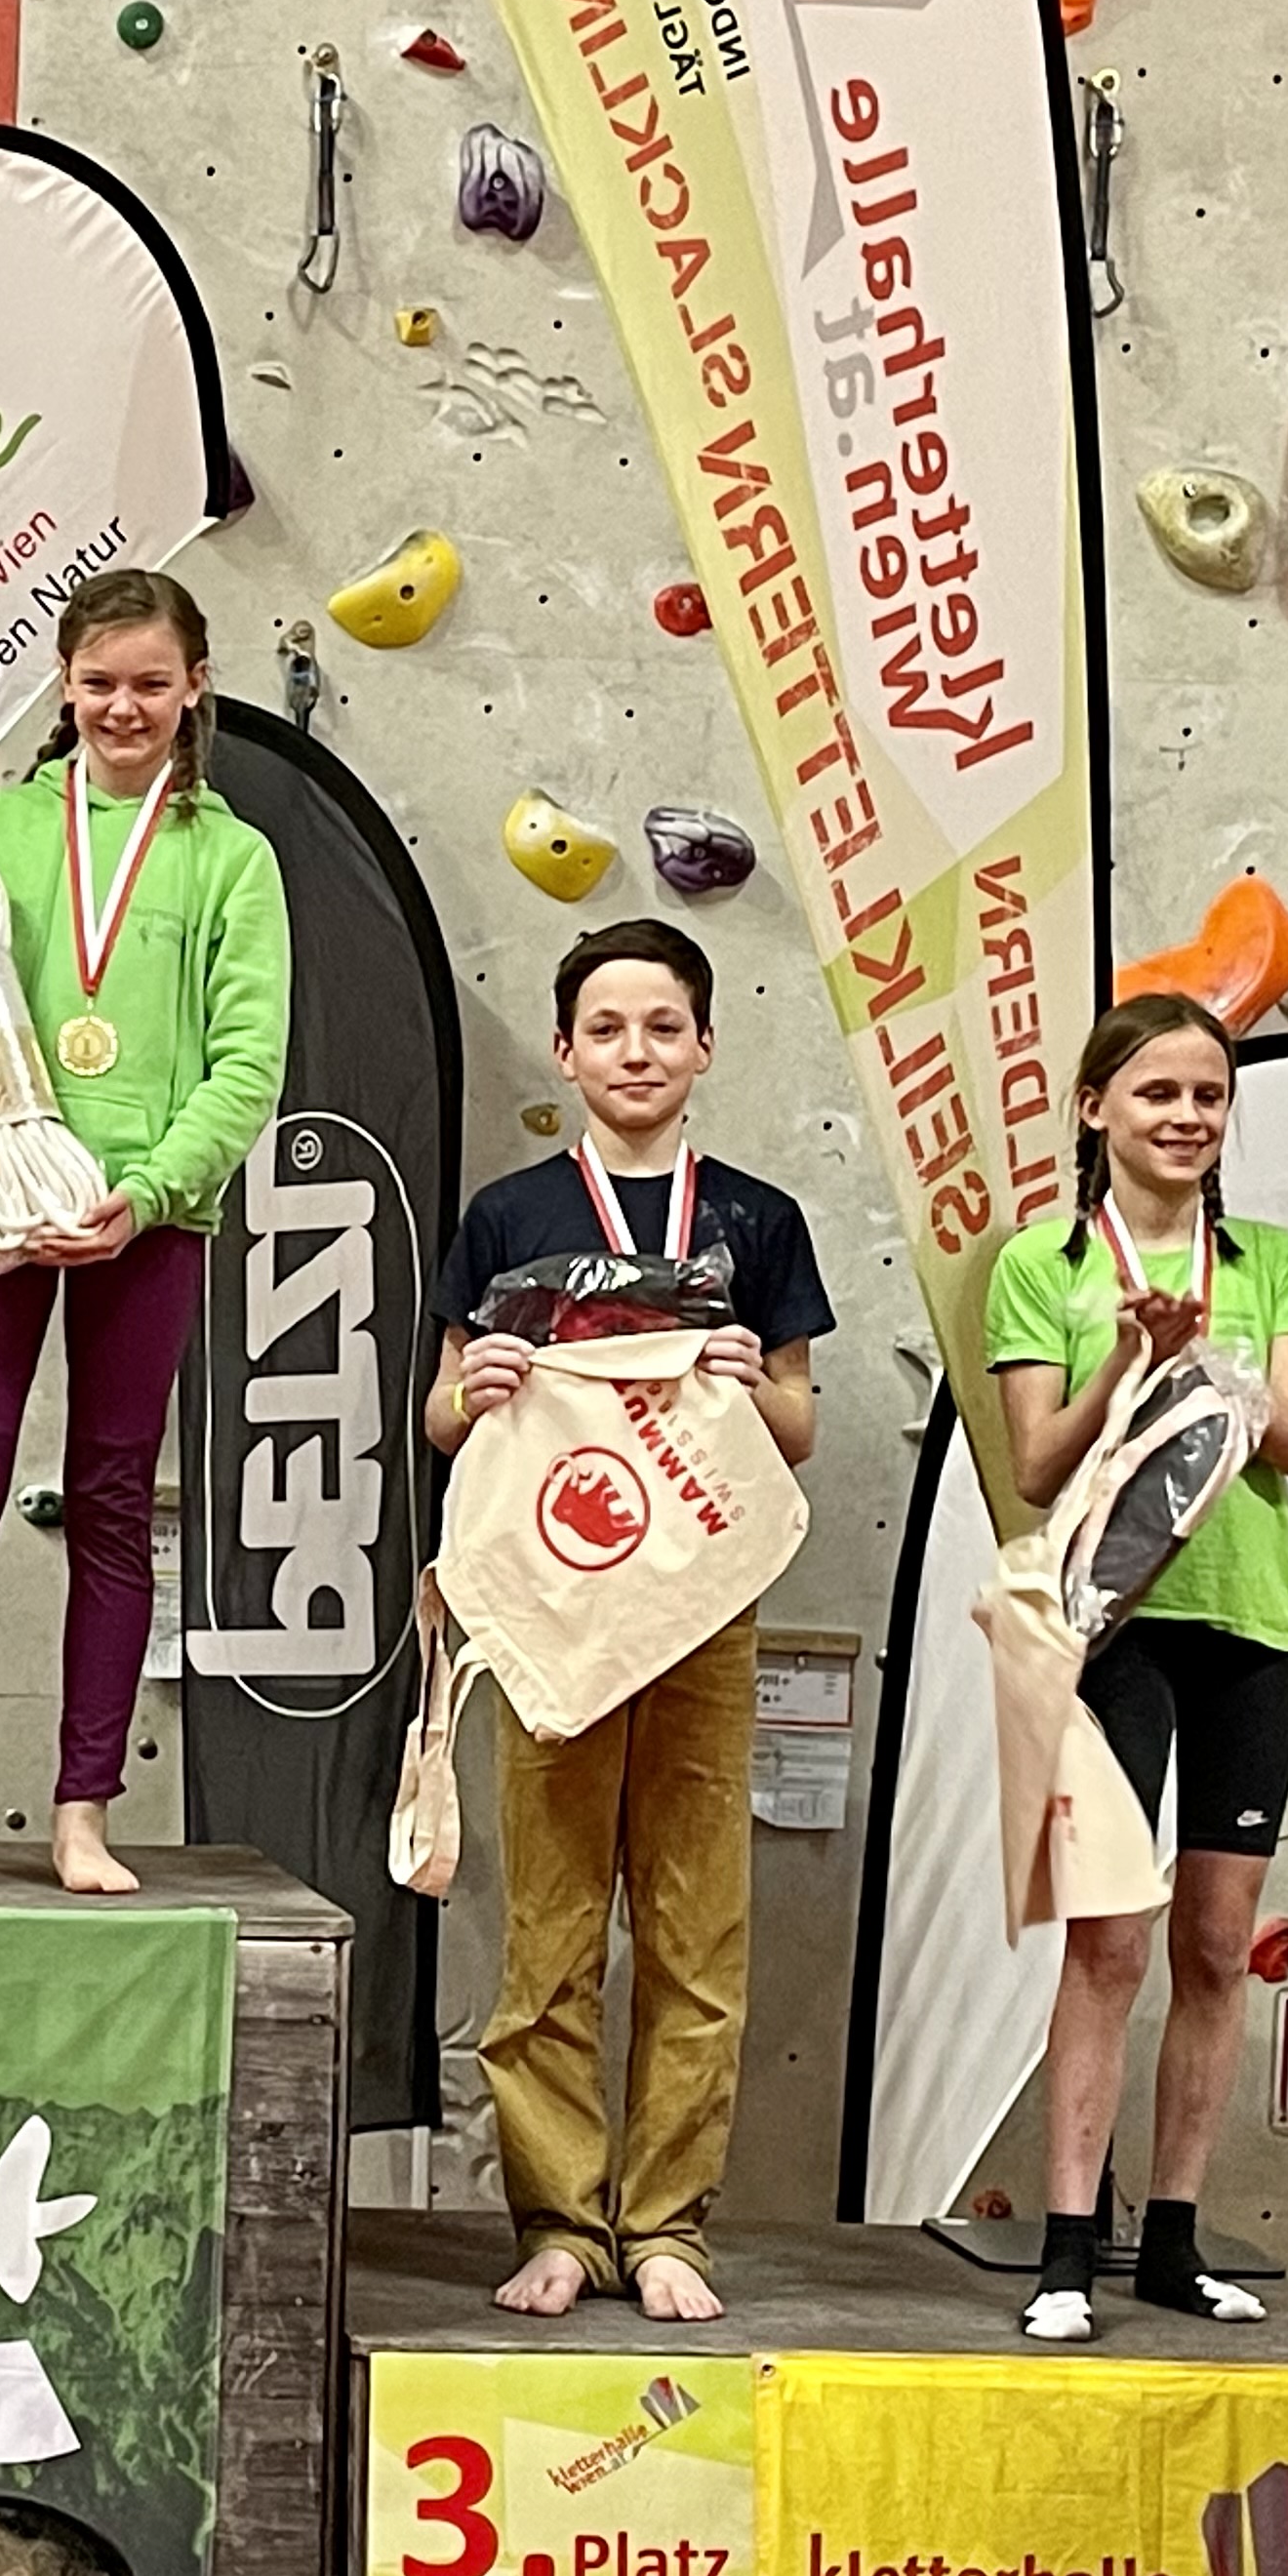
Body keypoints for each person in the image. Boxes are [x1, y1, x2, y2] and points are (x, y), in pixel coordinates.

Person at [0, 568, 290, 1897]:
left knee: (109, 1499)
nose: (123, 707)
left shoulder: (233, 858)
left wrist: (146, 1191)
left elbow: (248, 1065)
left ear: (195, 686)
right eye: (99, 683)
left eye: (151, 683)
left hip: (144, 1218)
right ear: (64, 685)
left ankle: (82, 1815)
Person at [424, 919, 828, 2323]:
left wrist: (751, 1383)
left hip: (702, 1611)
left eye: (663, 1027)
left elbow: (798, 1427)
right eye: (607, 1028)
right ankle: (557, 2221)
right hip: (556, 1607)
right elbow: (443, 1412)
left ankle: (666, 2227)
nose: (636, 1052)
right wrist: (474, 1393)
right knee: (547, 1931)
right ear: (565, 1051)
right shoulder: (509, 1217)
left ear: (705, 1046)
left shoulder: (756, 1221)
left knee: (694, 1928)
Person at [984, 991, 1288, 2343]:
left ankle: (1176, 2238)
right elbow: (1034, 1464)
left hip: (1254, 1624)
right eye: (1159, 1094)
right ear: (1095, 1109)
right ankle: (1068, 2249)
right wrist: (1131, 1355)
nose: (1187, 1118)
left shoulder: (1270, 1259)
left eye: (1208, 1097)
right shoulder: (1041, 1262)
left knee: (1218, 1946)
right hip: (1110, 1625)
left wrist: (1214, 1362)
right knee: (1110, 1941)